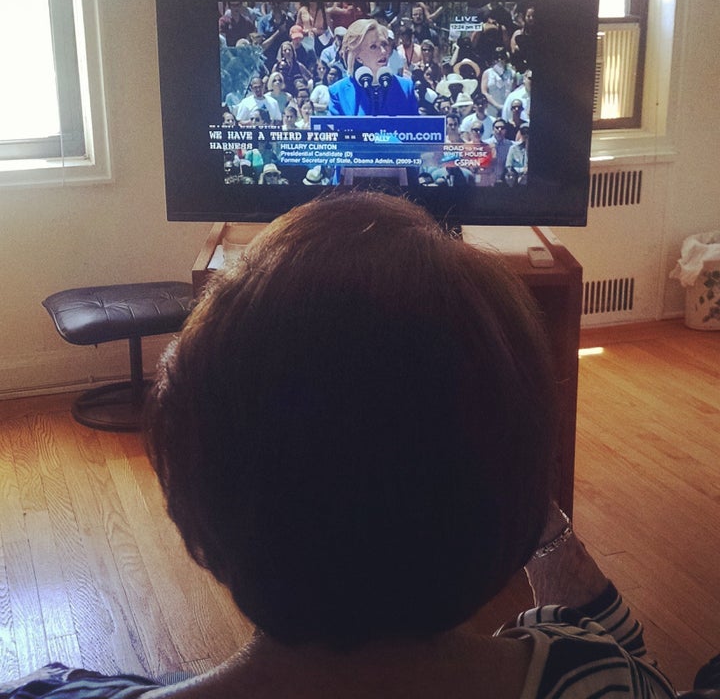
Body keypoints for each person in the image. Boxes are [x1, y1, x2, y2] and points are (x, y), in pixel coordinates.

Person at [1, 191, 717, 698]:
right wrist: (530, 501)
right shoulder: (599, 679)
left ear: (187, 494)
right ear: (512, 503)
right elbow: (627, 661)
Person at [328, 19, 418, 116]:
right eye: (373, 46)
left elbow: (417, 128)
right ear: (358, 56)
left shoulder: (406, 87)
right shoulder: (338, 92)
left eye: (384, 44)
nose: (383, 51)